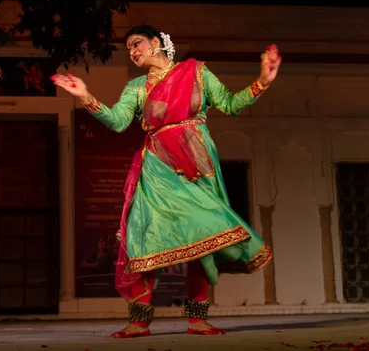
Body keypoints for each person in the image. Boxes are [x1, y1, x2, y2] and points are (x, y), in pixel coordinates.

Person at [52, 25, 280, 338]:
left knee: (201, 235)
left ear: (156, 42)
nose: (132, 52)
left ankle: (198, 318)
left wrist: (262, 82)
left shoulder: (196, 71)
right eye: (128, 48)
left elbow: (229, 103)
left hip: (196, 163)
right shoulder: (136, 87)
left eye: (136, 44)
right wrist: (86, 97)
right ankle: (139, 320)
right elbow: (118, 122)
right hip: (156, 168)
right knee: (146, 237)